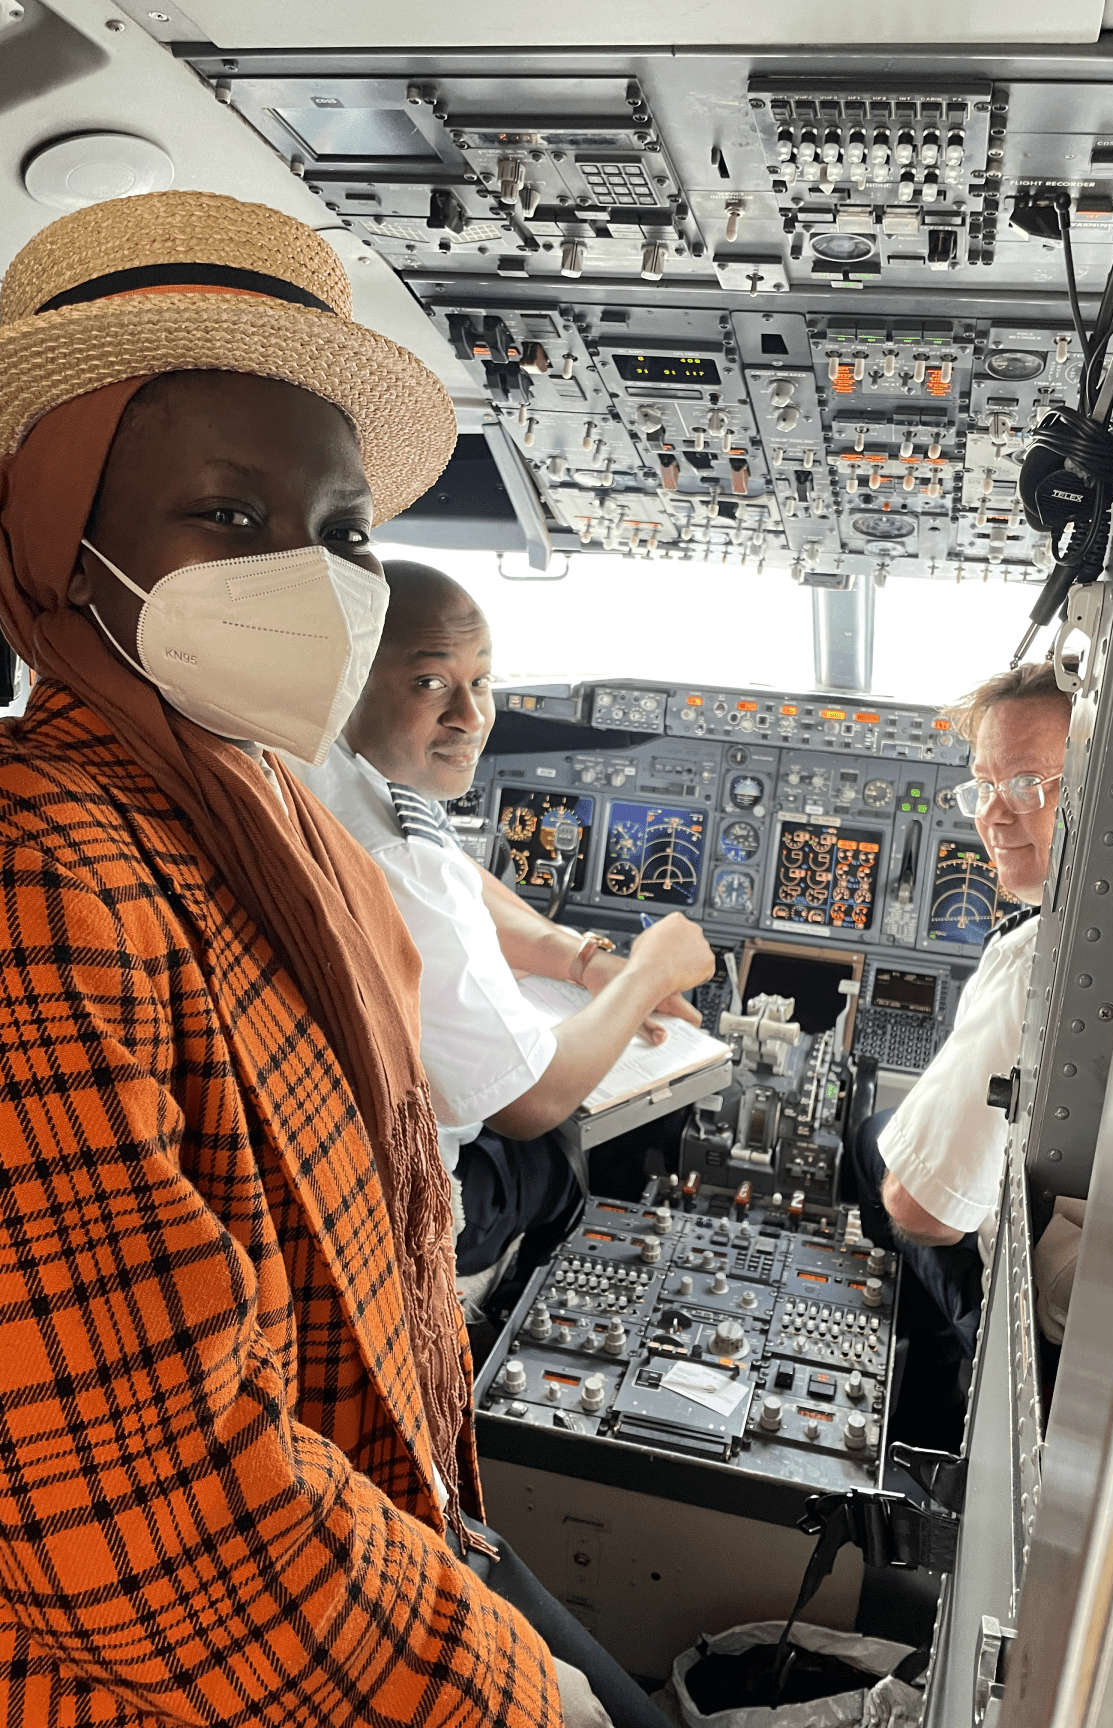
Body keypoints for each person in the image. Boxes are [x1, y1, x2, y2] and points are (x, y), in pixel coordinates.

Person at [0, 190, 666, 1728]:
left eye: (346, 531)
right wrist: (516, 1697)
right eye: (227, 514)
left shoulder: (266, 817)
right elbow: (157, 1528)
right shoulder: (41, 871)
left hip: (389, 1531)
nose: (308, 578)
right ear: (55, 529)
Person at [291, 562, 716, 1281]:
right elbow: (534, 1098)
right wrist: (650, 972)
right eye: (430, 683)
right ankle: (495, 1307)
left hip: (333, 1143)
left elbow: (451, 870)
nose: (472, 716)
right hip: (402, 1204)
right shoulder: (396, 863)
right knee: (559, 1151)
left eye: (481, 681)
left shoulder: (314, 759)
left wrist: (580, 959)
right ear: (351, 677)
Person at [844, 664, 1071, 1393]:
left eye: (1029, 784)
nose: (994, 815)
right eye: (984, 784)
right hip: (1100, 1277)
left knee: (877, 1151)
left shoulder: (1040, 954)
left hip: (1041, 1319)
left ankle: (923, 1381)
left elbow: (925, 1208)